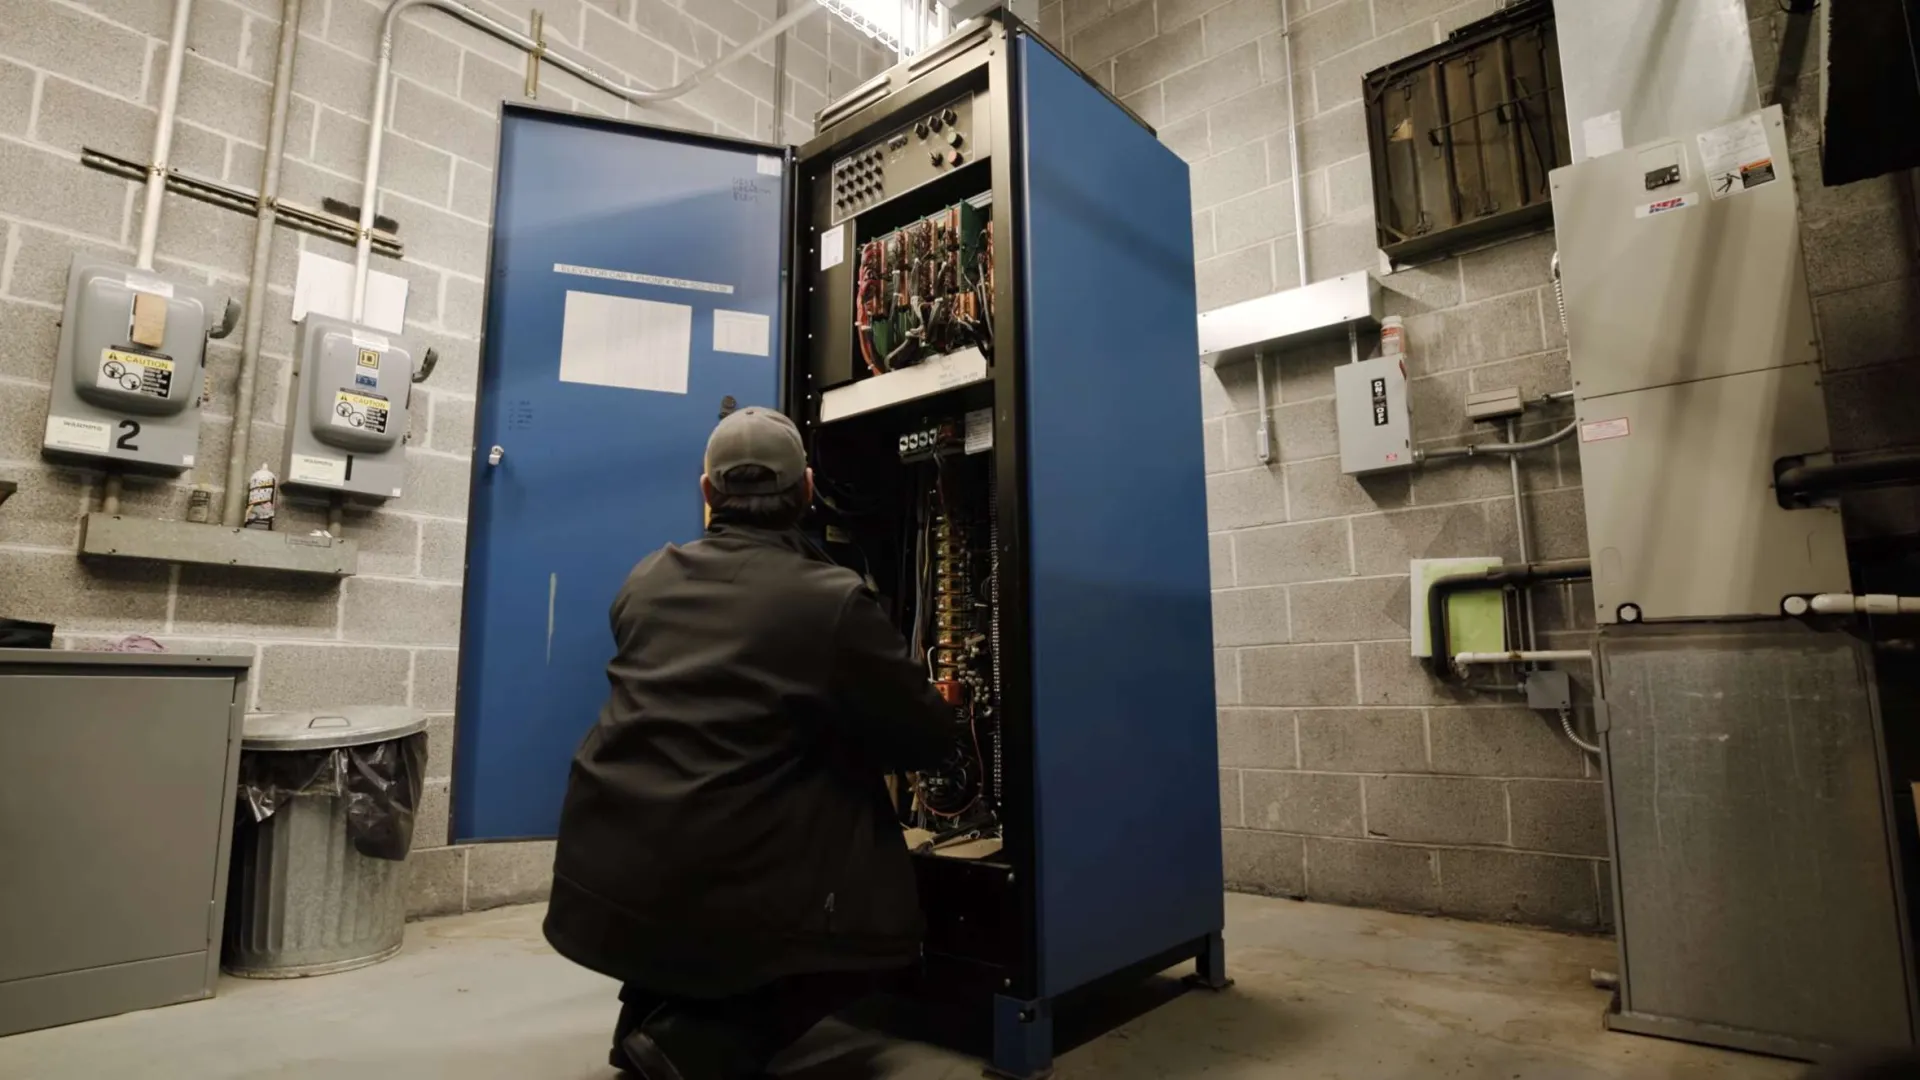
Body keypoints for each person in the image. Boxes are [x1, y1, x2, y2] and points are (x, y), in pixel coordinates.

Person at [544, 406, 961, 1080]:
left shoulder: (646, 577)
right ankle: (697, 1045)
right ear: (806, 491)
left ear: (707, 495)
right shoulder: (831, 600)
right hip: (718, 882)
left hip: (601, 877)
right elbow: (925, 737)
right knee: (883, 913)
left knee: (727, 801)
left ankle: (649, 1018)